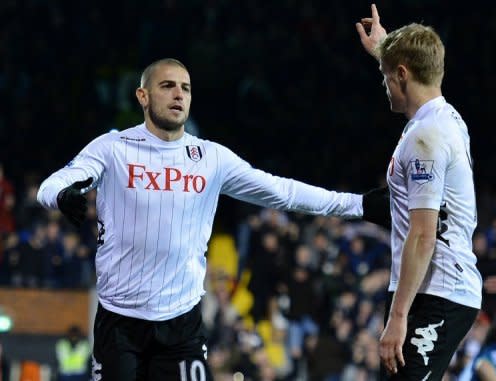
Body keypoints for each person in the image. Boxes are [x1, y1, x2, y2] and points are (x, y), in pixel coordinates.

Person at [37, 58, 381, 381]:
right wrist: (62, 196)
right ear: (143, 96)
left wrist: (359, 205)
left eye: (185, 88)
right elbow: (52, 185)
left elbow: (282, 191)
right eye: (167, 86)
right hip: (119, 322)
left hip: (181, 324)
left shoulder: (210, 158)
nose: (178, 94)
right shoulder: (112, 147)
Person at [356, 4, 482, 380]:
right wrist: (386, 48)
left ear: (402, 74)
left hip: (438, 293)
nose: (384, 86)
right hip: (435, 289)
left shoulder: (426, 138)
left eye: (386, 76)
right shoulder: (446, 118)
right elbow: (410, 68)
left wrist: (397, 317)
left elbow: (423, 235)